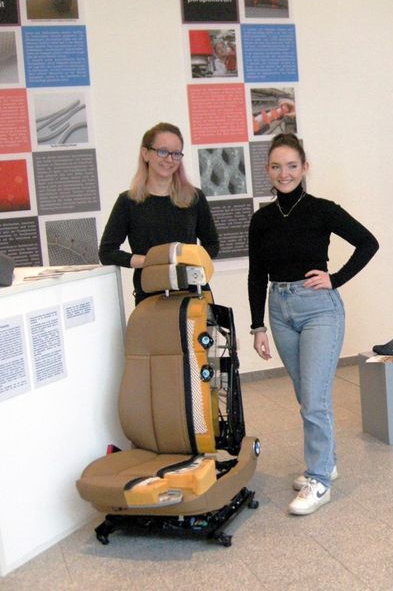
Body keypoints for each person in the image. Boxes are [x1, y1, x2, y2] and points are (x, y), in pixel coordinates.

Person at [247, 133, 378, 516]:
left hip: (319, 308)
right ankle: (328, 462)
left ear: (305, 168)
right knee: (307, 395)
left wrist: (335, 278)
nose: (283, 173)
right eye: (276, 166)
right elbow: (257, 273)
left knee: (315, 400)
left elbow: (368, 242)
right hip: (280, 308)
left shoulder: (322, 209)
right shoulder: (262, 219)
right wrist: (257, 325)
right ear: (267, 171)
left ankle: (319, 478)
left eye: (291, 165)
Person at [99, 122, 219, 304]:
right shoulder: (128, 201)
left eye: (176, 154)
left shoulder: (194, 198)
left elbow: (212, 244)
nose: (170, 159)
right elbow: (107, 252)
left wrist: (189, 260)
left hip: (193, 295)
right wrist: (150, 261)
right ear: (146, 153)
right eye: (162, 151)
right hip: (151, 297)